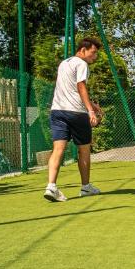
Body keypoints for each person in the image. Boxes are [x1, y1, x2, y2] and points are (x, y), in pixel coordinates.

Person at [44, 37, 103, 202]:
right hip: (76, 113)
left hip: (57, 111)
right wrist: (90, 111)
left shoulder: (64, 63)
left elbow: (70, 89)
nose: (95, 57)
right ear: (83, 50)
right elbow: (80, 86)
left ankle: (51, 187)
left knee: (58, 149)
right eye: (93, 53)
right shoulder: (82, 64)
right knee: (84, 149)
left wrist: (91, 105)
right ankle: (86, 187)